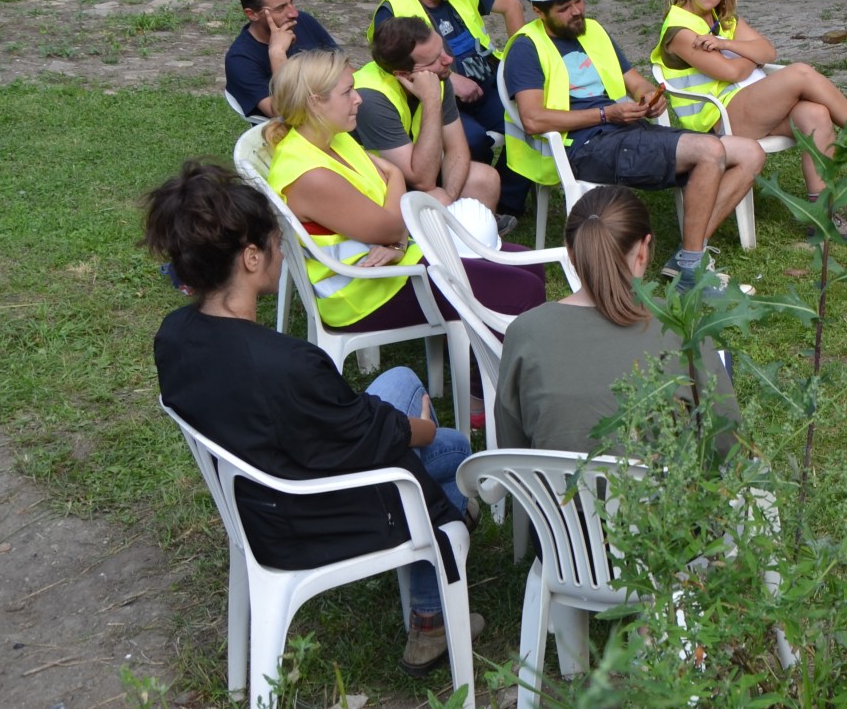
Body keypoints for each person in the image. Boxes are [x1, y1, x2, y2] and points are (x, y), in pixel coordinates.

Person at [144, 160, 482, 674]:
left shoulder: (174, 336)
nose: (284, 251)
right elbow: (374, 439)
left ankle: (446, 536)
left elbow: (343, 424)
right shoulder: (286, 364)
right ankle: (432, 615)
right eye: (276, 242)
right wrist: (427, 429)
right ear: (251, 258)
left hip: (255, 494)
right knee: (454, 451)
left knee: (401, 382)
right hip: (313, 515)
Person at [501, 0, 762, 294]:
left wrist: (649, 97)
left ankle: (687, 254)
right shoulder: (526, 47)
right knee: (710, 151)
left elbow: (634, 81)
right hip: (583, 146)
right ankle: (691, 274)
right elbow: (533, 119)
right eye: (565, 7)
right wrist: (606, 115)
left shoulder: (593, 30)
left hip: (626, 132)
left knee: (750, 153)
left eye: (579, 0)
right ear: (538, 10)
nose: (577, 11)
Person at [265, 50, 546, 336]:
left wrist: (396, 238)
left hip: (396, 261)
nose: (358, 98)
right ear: (315, 103)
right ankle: (491, 363)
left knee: (531, 264)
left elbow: (391, 213)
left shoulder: (330, 137)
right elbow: (390, 221)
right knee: (523, 290)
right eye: (347, 92)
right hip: (366, 292)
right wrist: (396, 184)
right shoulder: (310, 175)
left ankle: (480, 352)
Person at [650, 0, 847, 243]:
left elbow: (767, 51)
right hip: (717, 122)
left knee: (816, 115)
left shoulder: (721, 19)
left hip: (749, 107)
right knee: (800, 72)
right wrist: (750, 58)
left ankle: (822, 214)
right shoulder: (680, 30)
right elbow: (731, 72)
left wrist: (729, 45)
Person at [495, 185, 741, 462]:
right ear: (643, 251)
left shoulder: (525, 331)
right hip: (664, 490)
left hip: (551, 491)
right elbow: (727, 443)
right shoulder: (679, 323)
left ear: (570, 252)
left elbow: (511, 449)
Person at [369, 0, 526, 170]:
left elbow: (512, 5)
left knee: (529, 122)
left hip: (488, 85)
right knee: (472, 142)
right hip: (441, 100)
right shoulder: (393, 10)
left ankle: (508, 192)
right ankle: (475, 185)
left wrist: (520, 64)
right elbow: (396, 68)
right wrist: (452, 81)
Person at [352, 15, 507, 221]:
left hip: (413, 170)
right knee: (436, 198)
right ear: (403, 74)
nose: (448, 60)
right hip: (369, 187)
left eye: (442, 49)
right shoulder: (371, 98)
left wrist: (450, 197)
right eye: (434, 60)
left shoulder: (436, 75)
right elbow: (423, 181)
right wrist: (431, 100)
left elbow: (457, 148)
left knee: (485, 179)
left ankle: (473, 239)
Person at [224, 0, 340, 118]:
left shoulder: (303, 21)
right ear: (252, 14)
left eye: (292, 2)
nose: (293, 13)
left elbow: (345, 70)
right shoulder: (240, 59)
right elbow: (284, 114)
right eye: (280, 8)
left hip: (338, 111)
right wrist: (277, 53)